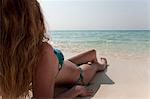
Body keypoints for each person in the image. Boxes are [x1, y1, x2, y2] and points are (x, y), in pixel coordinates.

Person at [0, 0, 108, 98]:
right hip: (66, 70)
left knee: (93, 62)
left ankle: (100, 65)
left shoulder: (41, 53)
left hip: (72, 72)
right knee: (82, 62)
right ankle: (94, 59)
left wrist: (75, 90)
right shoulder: (40, 53)